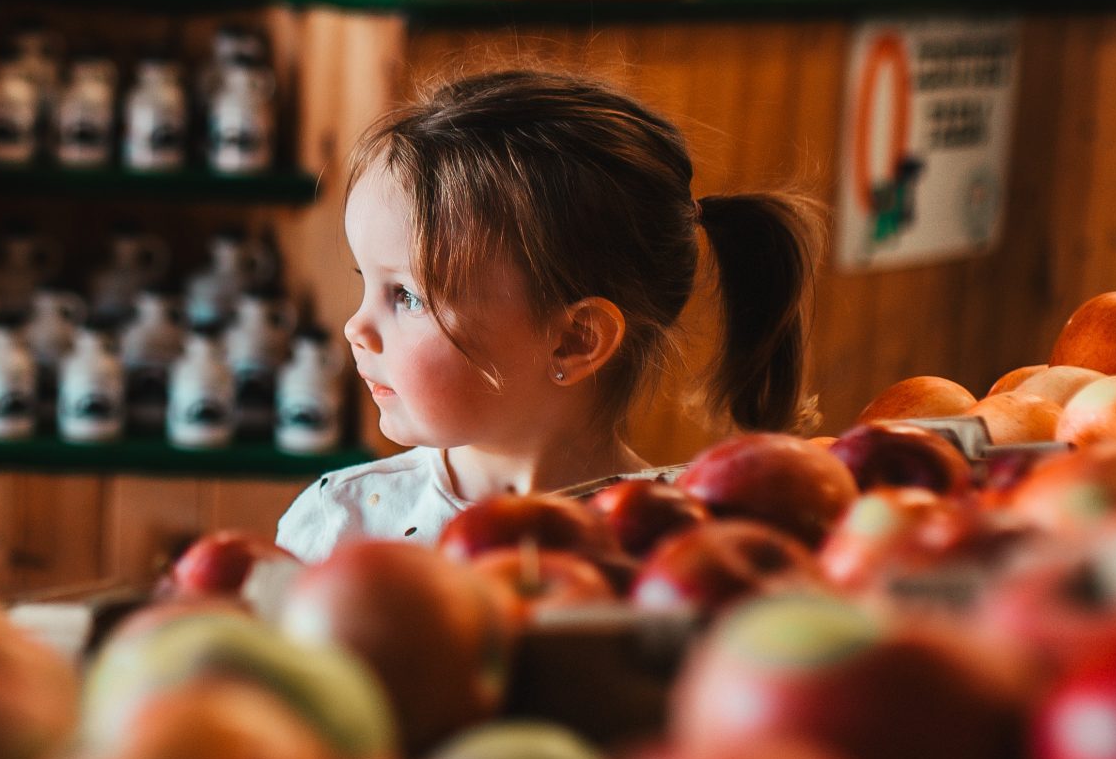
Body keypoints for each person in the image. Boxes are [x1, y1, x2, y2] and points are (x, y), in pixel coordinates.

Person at [276, 69, 822, 561]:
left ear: (575, 340)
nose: (356, 328)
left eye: (408, 296)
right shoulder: (338, 527)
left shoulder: (673, 552)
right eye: (365, 282)